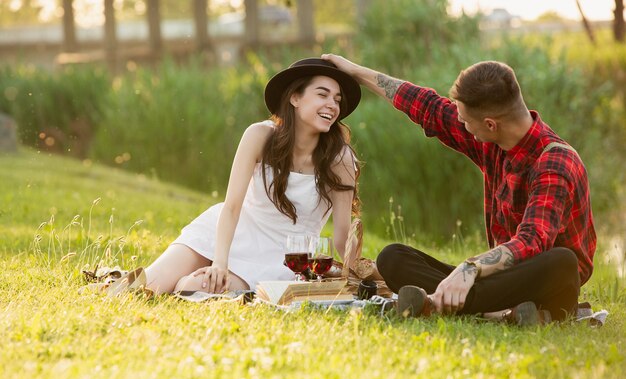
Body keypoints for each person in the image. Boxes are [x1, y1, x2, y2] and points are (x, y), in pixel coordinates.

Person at [321, 54, 596, 324]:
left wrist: (470, 267)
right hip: (498, 283)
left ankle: (446, 305)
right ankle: (497, 313)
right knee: (393, 257)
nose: (460, 123)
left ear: (490, 124)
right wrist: (355, 71)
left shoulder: (555, 163)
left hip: (543, 284)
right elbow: (426, 107)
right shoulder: (495, 140)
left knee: (562, 261)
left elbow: (532, 241)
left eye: (465, 120)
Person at [126, 58, 362, 296]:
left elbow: (342, 236)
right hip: (227, 234)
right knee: (144, 287)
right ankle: (196, 270)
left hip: (282, 261)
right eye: (323, 95)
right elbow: (232, 207)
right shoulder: (259, 136)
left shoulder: (340, 159)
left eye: (337, 99)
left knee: (193, 289)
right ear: (295, 98)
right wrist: (219, 262)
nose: (332, 105)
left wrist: (361, 275)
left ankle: (190, 280)